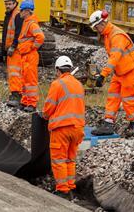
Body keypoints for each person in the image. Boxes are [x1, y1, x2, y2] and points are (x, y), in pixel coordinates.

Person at [89, 10, 134, 135]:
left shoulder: (116, 36)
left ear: (102, 23)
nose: (96, 30)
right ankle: (108, 123)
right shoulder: (108, 34)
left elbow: (114, 58)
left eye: (96, 27)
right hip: (120, 70)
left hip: (131, 69)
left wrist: (103, 74)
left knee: (127, 97)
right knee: (113, 94)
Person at [40, 56, 85, 200]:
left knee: (59, 160)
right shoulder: (79, 85)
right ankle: (71, 187)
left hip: (62, 129)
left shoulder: (57, 84)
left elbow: (49, 108)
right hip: (78, 128)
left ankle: (63, 191)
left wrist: (45, 116)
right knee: (70, 159)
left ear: (58, 70)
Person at [16, 0, 45, 113]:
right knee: (24, 80)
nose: (20, 12)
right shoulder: (27, 22)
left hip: (30, 55)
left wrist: (33, 47)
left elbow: (40, 37)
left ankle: (32, 104)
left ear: (27, 11)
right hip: (25, 55)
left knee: (30, 81)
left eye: (21, 10)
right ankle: (25, 102)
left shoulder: (32, 24)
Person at [1, 0, 24, 108]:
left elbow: (18, 33)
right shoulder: (9, 15)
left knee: (15, 73)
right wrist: (3, 51)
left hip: (15, 50)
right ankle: (15, 94)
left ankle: (16, 96)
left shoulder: (17, 15)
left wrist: (13, 46)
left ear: (15, 3)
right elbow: (5, 34)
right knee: (13, 74)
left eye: (10, 3)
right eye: (6, 3)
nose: (7, 5)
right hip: (11, 50)